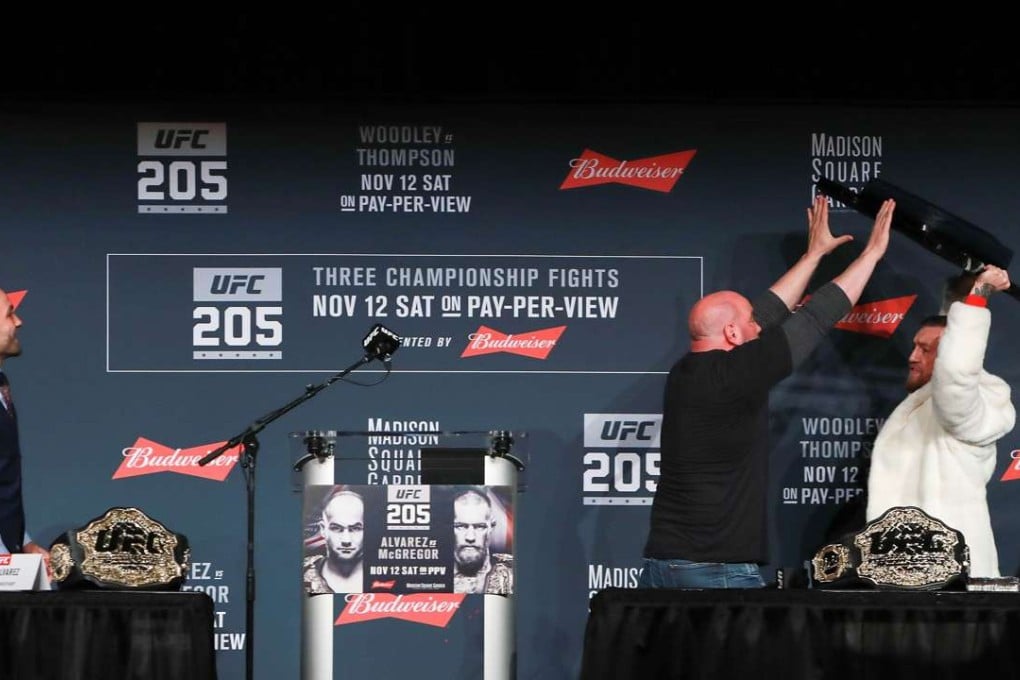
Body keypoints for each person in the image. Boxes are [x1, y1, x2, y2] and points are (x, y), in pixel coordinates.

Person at [639, 195, 896, 589]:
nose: (759, 327)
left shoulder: (686, 372)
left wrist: (813, 256)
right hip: (714, 570)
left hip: (663, 566)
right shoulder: (735, 373)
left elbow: (764, 314)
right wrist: (872, 254)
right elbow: (816, 316)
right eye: (750, 323)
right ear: (730, 333)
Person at [865, 265, 1015, 578]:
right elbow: (951, 339)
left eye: (925, 349)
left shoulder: (975, 403)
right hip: (906, 571)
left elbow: (957, 372)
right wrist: (963, 297)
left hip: (951, 574)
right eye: (914, 346)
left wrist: (979, 296)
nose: (912, 357)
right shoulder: (926, 404)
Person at [0, 288, 49, 564]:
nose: (19, 322)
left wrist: (22, 542)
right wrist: (5, 559)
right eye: (10, 314)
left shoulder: (2, 386)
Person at [303, 488, 365, 593]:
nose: (346, 540)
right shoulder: (300, 572)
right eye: (336, 528)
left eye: (355, 528)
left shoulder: (385, 576)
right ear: (323, 529)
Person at [452, 487, 513, 595]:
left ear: (491, 527)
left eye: (479, 527)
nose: (470, 537)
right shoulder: (430, 578)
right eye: (461, 526)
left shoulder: (511, 577)